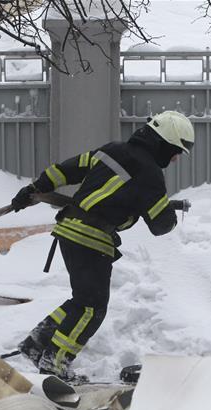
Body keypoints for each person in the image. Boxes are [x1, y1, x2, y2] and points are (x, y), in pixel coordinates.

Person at [10, 111, 195, 380]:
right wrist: (164, 210)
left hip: (68, 230)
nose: (176, 158)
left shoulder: (112, 150)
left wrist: (33, 189)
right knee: (91, 308)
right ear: (164, 143)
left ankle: (36, 345)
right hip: (91, 238)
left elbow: (66, 170)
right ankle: (55, 364)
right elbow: (160, 226)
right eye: (176, 151)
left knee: (81, 300)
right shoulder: (150, 174)